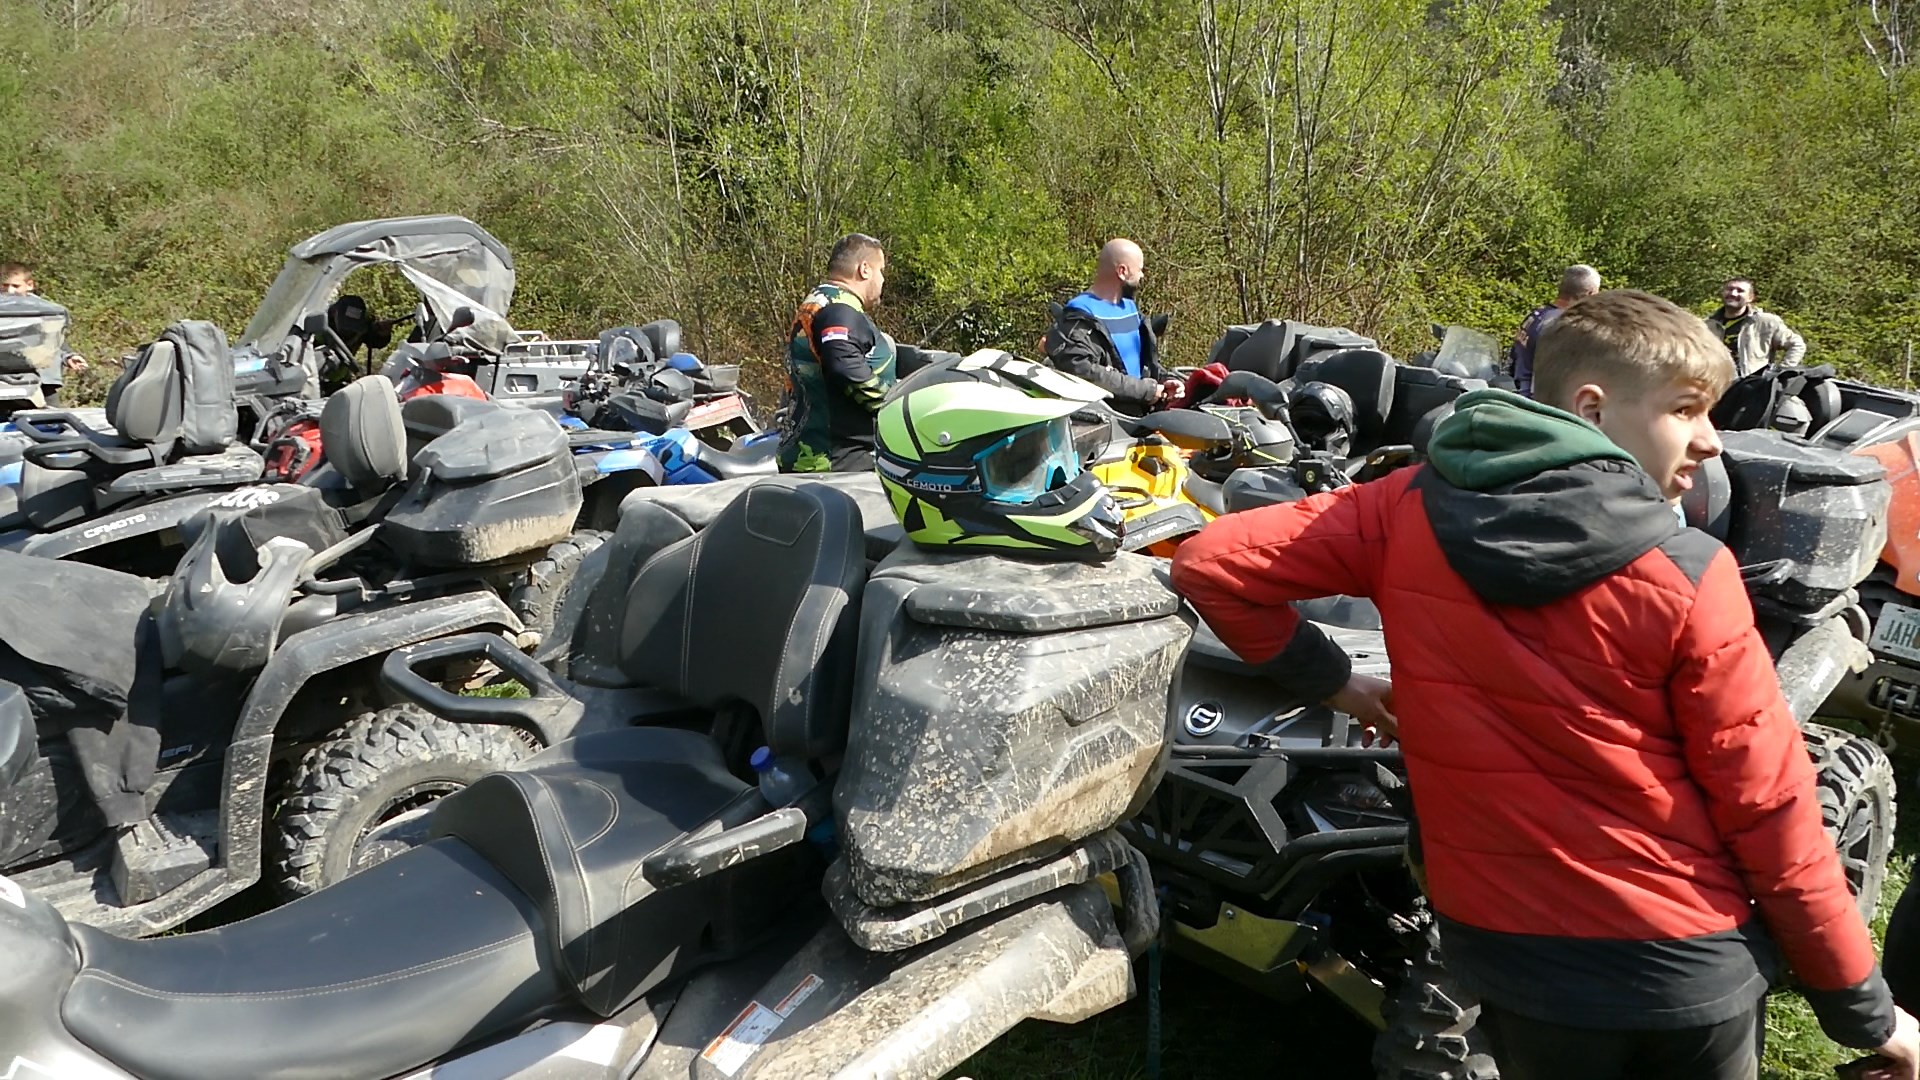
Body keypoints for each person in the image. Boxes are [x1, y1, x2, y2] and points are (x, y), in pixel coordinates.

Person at [1169, 288, 1920, 1080]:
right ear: (1592, 408)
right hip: (1678, 971)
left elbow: (1212, 564)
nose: (1711, 441)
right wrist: (1864, 1012)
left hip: (1510, 966)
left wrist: (1336, 683)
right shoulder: (1691, 571)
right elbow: (1772, 810)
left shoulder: (1405, 505)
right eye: (1687, 411)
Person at [778, 233, 897, 473]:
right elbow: (844, 365)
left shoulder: (823, 301)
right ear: (865, 269)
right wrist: (895, 406)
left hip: (818, 454)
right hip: (838, 461)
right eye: (881, 271)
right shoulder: (839, 309)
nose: (883, 280)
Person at [1041, 238, 1181, 415]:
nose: (1142, 276)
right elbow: (1084, 371)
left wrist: (1165, 380)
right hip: (1107, 421)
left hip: (1140, 415)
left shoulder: (1129, 309)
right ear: (1122, 271)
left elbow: (1141, 364)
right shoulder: (1080, 316)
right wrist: (1146, 391)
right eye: (1139, 270)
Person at [2, 261, 88, 406]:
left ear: (29, 285)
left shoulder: (45, 310)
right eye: (5, 285)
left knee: (51, 414)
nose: (10, 291)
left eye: (15, 286)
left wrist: (68, 356)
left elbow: (54, 338)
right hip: (4, 374)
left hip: (42, 375)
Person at [1507, 263, 1600, 398]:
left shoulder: (1536, 316)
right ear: (1589, 294)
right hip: (1538, 400)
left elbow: (1515, 358)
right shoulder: (1563, 325)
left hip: (1518, 392)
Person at [1708, 276, 1807, 376]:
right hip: (1715, 382)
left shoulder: (1766, 322)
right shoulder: (1708, 325)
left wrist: (1781, 372)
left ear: (1750, 298)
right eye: (1729, 289)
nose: (1733, 293)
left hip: (1752, 382)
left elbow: (1797, 345)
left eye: (1740, 291)